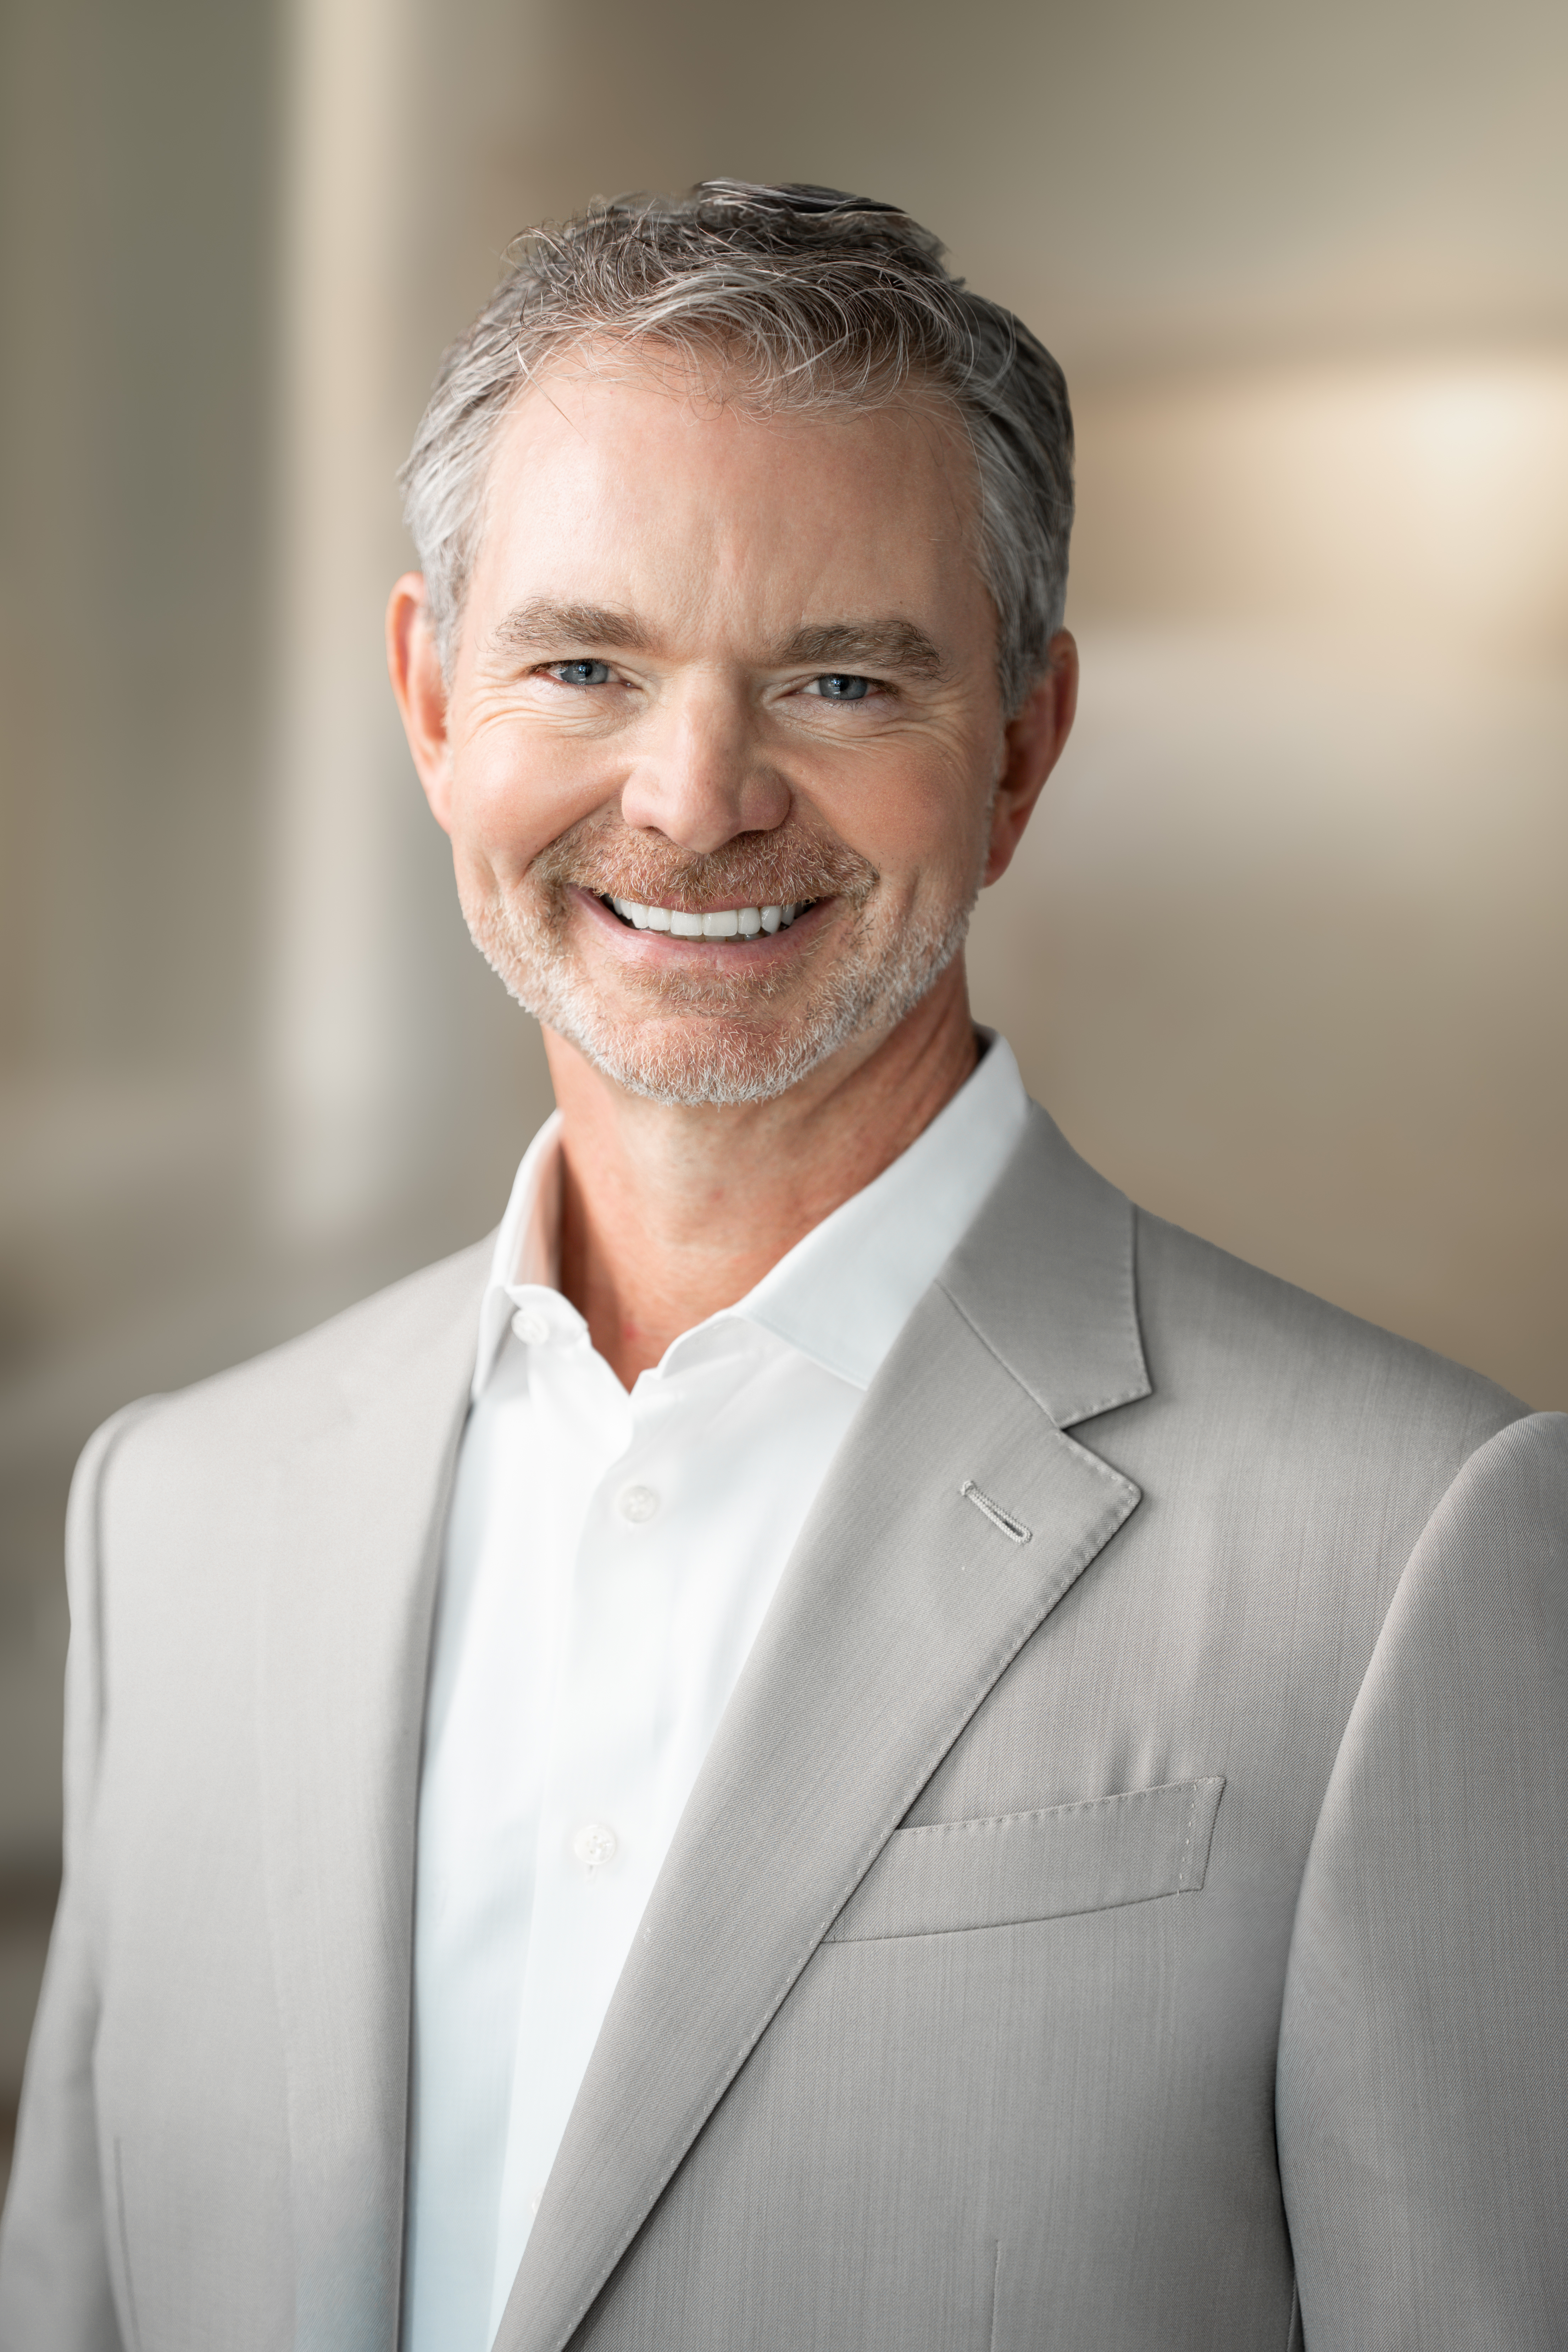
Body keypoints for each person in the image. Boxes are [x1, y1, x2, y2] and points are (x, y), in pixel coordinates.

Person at [1, 180, 1564, 2352]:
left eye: (838, 678)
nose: (696, 793)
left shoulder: (1411, 1551)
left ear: (1019, 748)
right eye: (584, 665)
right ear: (432, 697)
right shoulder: (179, 1516)